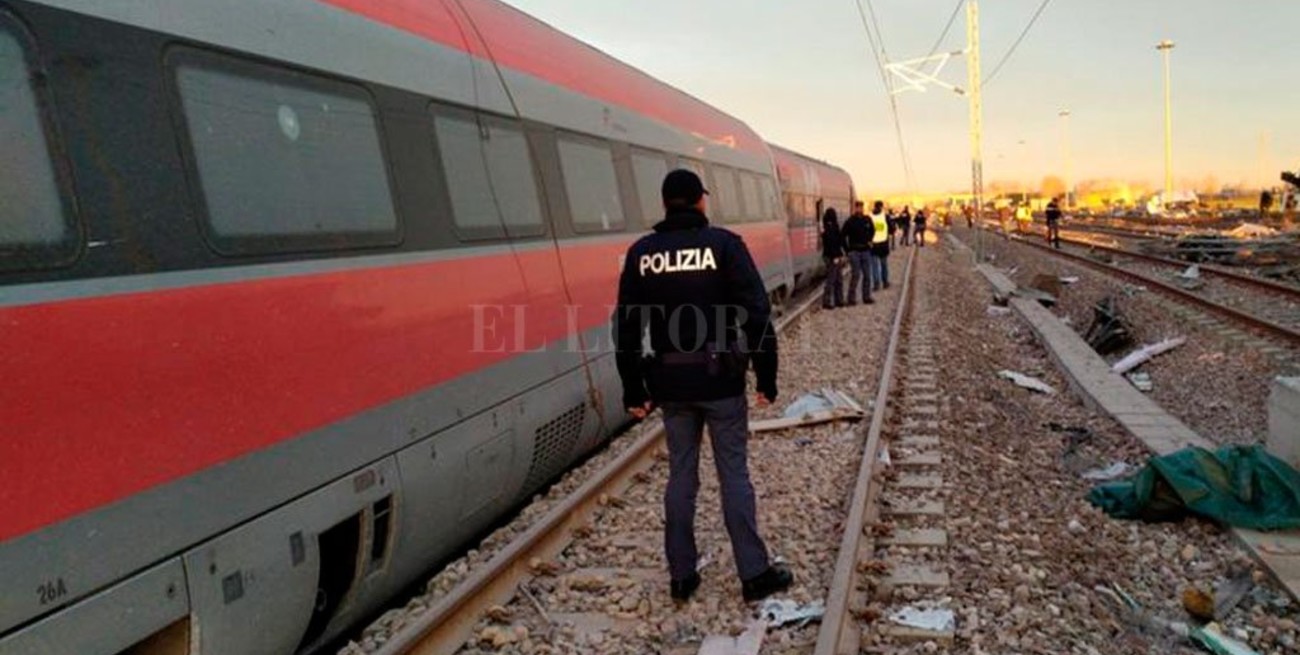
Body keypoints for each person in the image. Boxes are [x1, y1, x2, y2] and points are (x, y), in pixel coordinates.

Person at [612, 169, 793, 604]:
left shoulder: (642, 253)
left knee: (681, 476)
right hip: (721, 381)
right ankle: (753, 574)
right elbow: (756, 315)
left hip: (671, 385)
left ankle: (681, 575)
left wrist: (633, 390)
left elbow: (627, 327)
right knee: (733, 474)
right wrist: (766, 378)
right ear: (699, 202)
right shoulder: (724, 246)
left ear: (665, 203)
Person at [840, 200, 875, 305]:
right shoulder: (850, 221)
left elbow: (873, 230)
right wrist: (847, 250)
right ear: (855, 208)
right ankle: (851, 298)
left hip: (865, 251)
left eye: (861, 207)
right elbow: (842, 236)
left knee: (867, 275)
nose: (859, 209)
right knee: (856, 275)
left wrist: (869, 241)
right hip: (854, 251)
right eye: (858, 207)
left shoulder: (867, 219)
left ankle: (867, 297)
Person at [820, 207, 845, 309]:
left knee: (838, 279)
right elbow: (832, 243)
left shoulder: (829, 227)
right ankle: (827, 301)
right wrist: (836, 256)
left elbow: (838, 241)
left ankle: (838, 300)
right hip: (832, 257)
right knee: (831, 280)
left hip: (834, 256)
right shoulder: (829, 228)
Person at [869, 200, 891, 289]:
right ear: (881, 207)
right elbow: (891, 228)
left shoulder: (870, 217)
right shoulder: (885, 216)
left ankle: (876, 284)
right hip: (883, 244)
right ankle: (885, 282)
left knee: (874, 266)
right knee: (884, 265)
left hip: (873, 245)